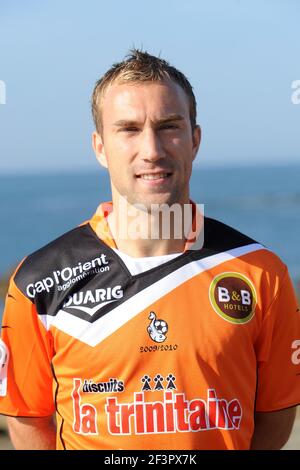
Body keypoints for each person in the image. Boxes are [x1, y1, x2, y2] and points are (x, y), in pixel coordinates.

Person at [0, 49, 299, 451]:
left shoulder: (262, 273)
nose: (152, 150)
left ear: (195, 139)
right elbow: (28, 417)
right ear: (100, 147)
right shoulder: (38, 281)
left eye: (169, 126)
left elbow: (276, 413)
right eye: (128, 129)